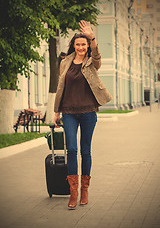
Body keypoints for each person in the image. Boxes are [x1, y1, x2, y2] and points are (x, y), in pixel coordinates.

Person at [54, 20, 112, 209]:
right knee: (71, 149)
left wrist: (91, 37)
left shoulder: (92, 62)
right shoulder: (65, 62)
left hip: (88, 111)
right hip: (69, 112)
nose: (81, 47)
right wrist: (56, 111)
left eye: (84, 44)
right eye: (78, 44)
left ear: (87, 46)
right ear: (74, 45)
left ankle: (85, 191)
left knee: (85, 151)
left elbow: (97, 55)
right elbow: (60, 87)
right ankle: (73, 193)